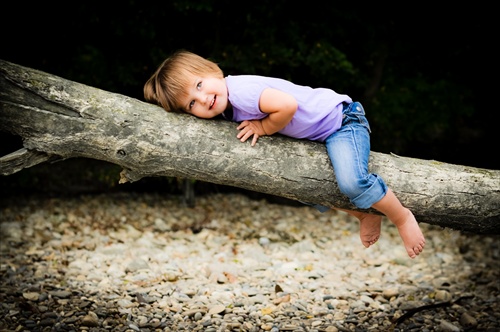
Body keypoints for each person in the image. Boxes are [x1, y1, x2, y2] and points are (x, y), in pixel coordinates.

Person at [143, 50, 425, 258]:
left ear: (213, 70)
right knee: (301, 188)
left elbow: (287, 105)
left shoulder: (241, 91)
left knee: (352, 181)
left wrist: (263, 127)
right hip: (316, 136)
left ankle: (401, 217)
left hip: (341, 122)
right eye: (192, 103)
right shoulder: (226, 104)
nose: (203, 99)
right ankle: (363, 214)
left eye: (199, 85)